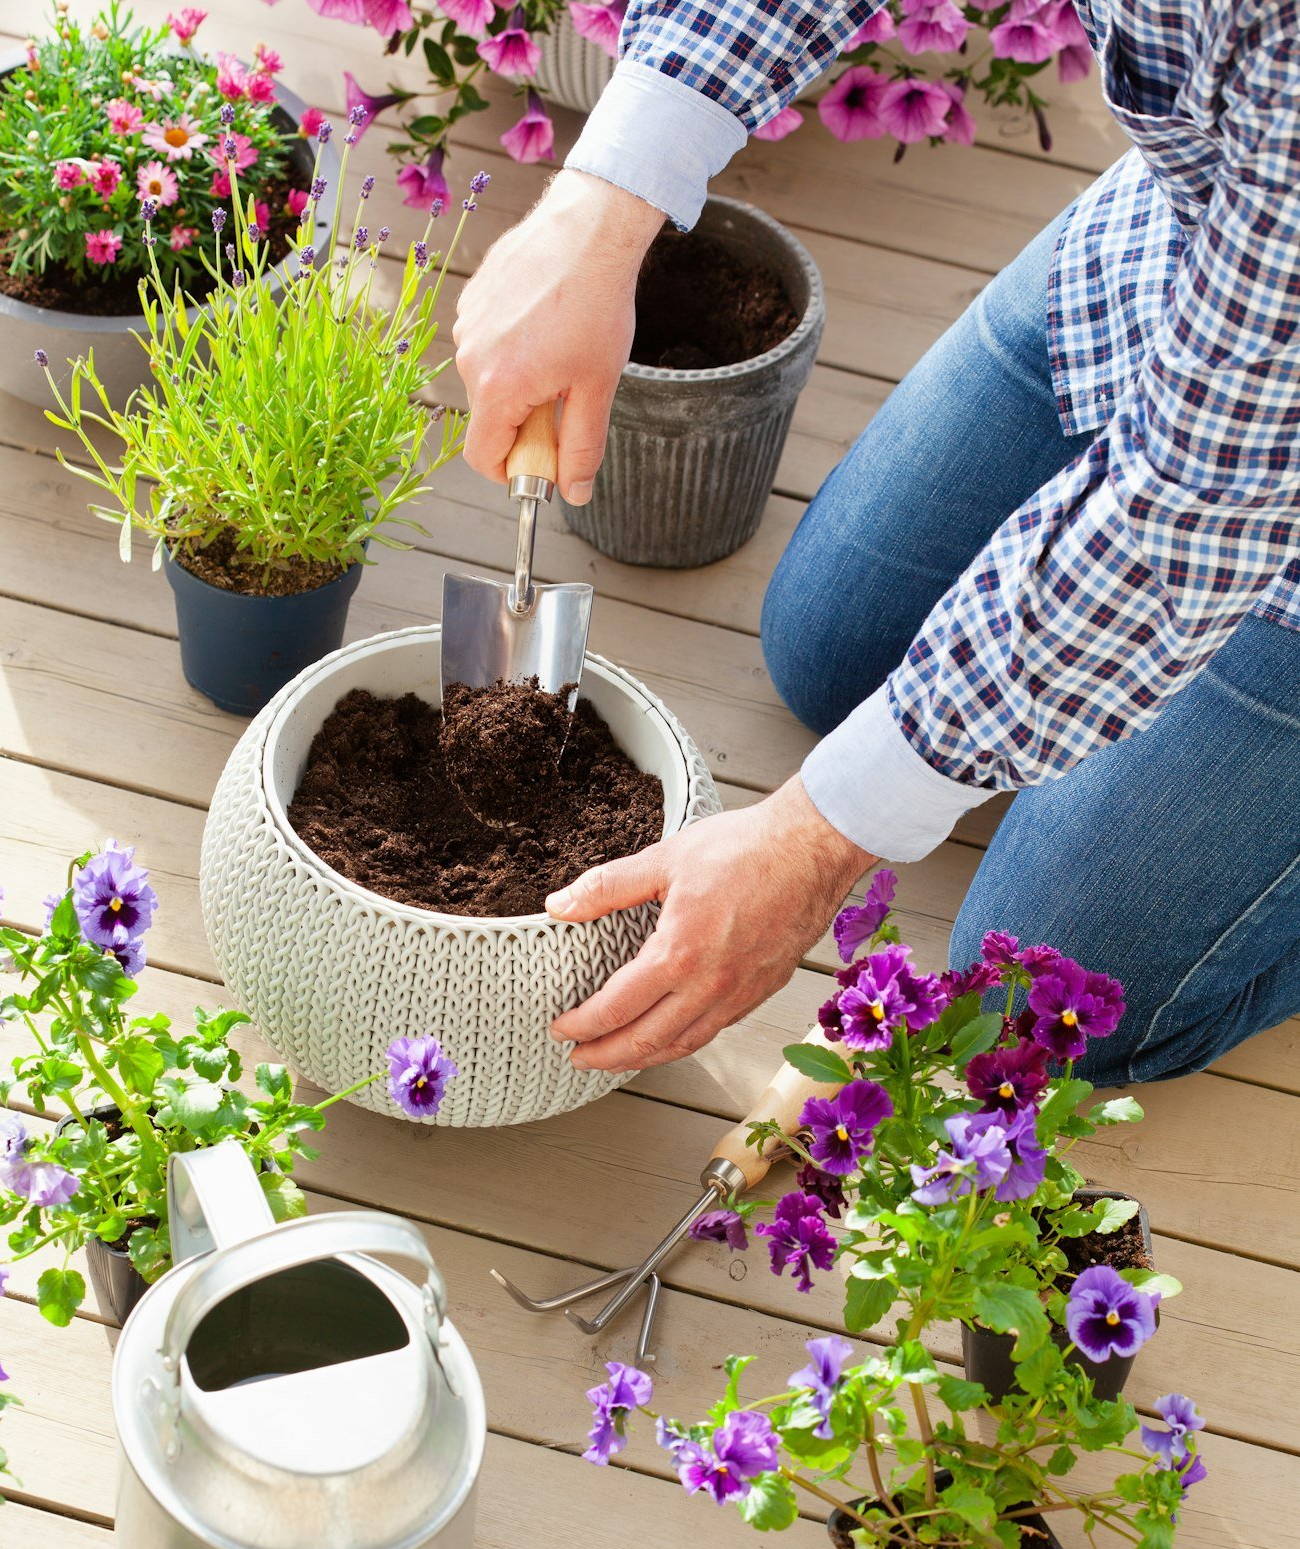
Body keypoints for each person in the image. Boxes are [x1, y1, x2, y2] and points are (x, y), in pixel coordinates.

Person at [453, 0, 1300, 1086]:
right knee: (830, 655)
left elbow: (1189, 507)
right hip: (1188, 246)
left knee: (1036, 995)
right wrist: (601, 204)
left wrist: (815, 838)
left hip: (1253, 470)